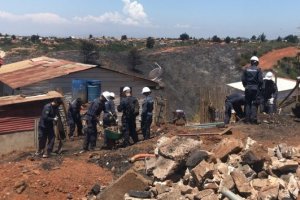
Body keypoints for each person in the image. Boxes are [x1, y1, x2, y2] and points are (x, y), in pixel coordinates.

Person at [241, 56, 263, 124]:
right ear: (257, 62)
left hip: (248, 89)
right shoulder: (258, 69)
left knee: (247, 103)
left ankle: (247, 120)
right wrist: (258, 87)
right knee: (255, 103)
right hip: (255, 89)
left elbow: (243, 79)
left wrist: (245, 86)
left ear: (251, 62)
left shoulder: (246, 69)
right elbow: (260, 81)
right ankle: (253, 120)